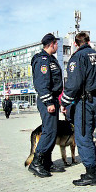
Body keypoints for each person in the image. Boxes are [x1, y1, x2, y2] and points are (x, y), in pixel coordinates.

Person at [61, 32, 96, 186]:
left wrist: (64, 103)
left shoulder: (79, 57)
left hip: (83, 102)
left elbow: (73, 84)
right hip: (95, 101)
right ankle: (95, 170)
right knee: (89, 135)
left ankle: (92, 174)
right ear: (89, 41)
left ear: (75, 43)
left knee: (82, 137)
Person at [28, 33, 64, 178]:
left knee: (52, 132)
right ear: (52, 44)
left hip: (53, 100)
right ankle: (36, 163)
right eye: (56, 44)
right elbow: (42, 84)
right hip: (47, 101)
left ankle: (47, 162)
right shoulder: (42, 60)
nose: (57, 47)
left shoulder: (51, 59)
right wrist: (49, 102)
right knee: (49, 131)